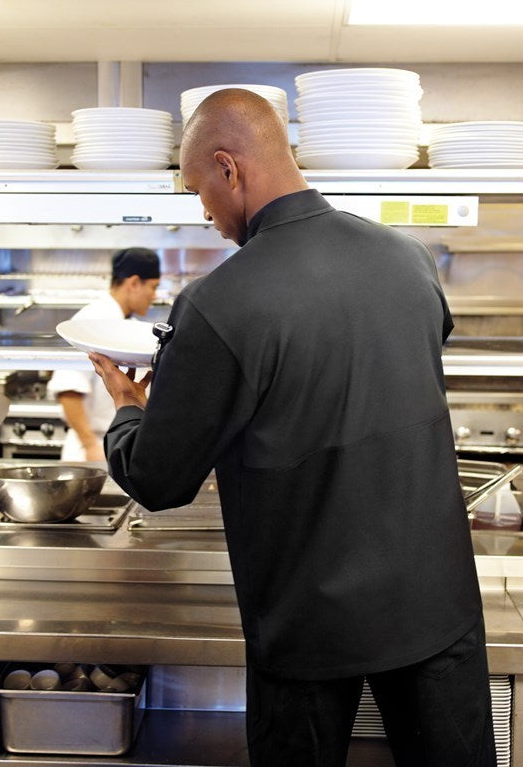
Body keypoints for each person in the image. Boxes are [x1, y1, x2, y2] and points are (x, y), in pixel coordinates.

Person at [90, 89, 496, 766]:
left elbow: (157, 480)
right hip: (436, 603)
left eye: (197, 189)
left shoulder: (218, 304)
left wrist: (129, 407)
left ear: (229, 168)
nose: (203, 210)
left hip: (307, 624)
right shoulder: (407, 258)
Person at [47, 247, 160, 461]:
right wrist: (89, 444)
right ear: (134, 283)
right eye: (153, 287)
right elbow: (68, 389)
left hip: (116, 440)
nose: (154, 296)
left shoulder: (127, 322)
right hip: (92, 447)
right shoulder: (94, 321)